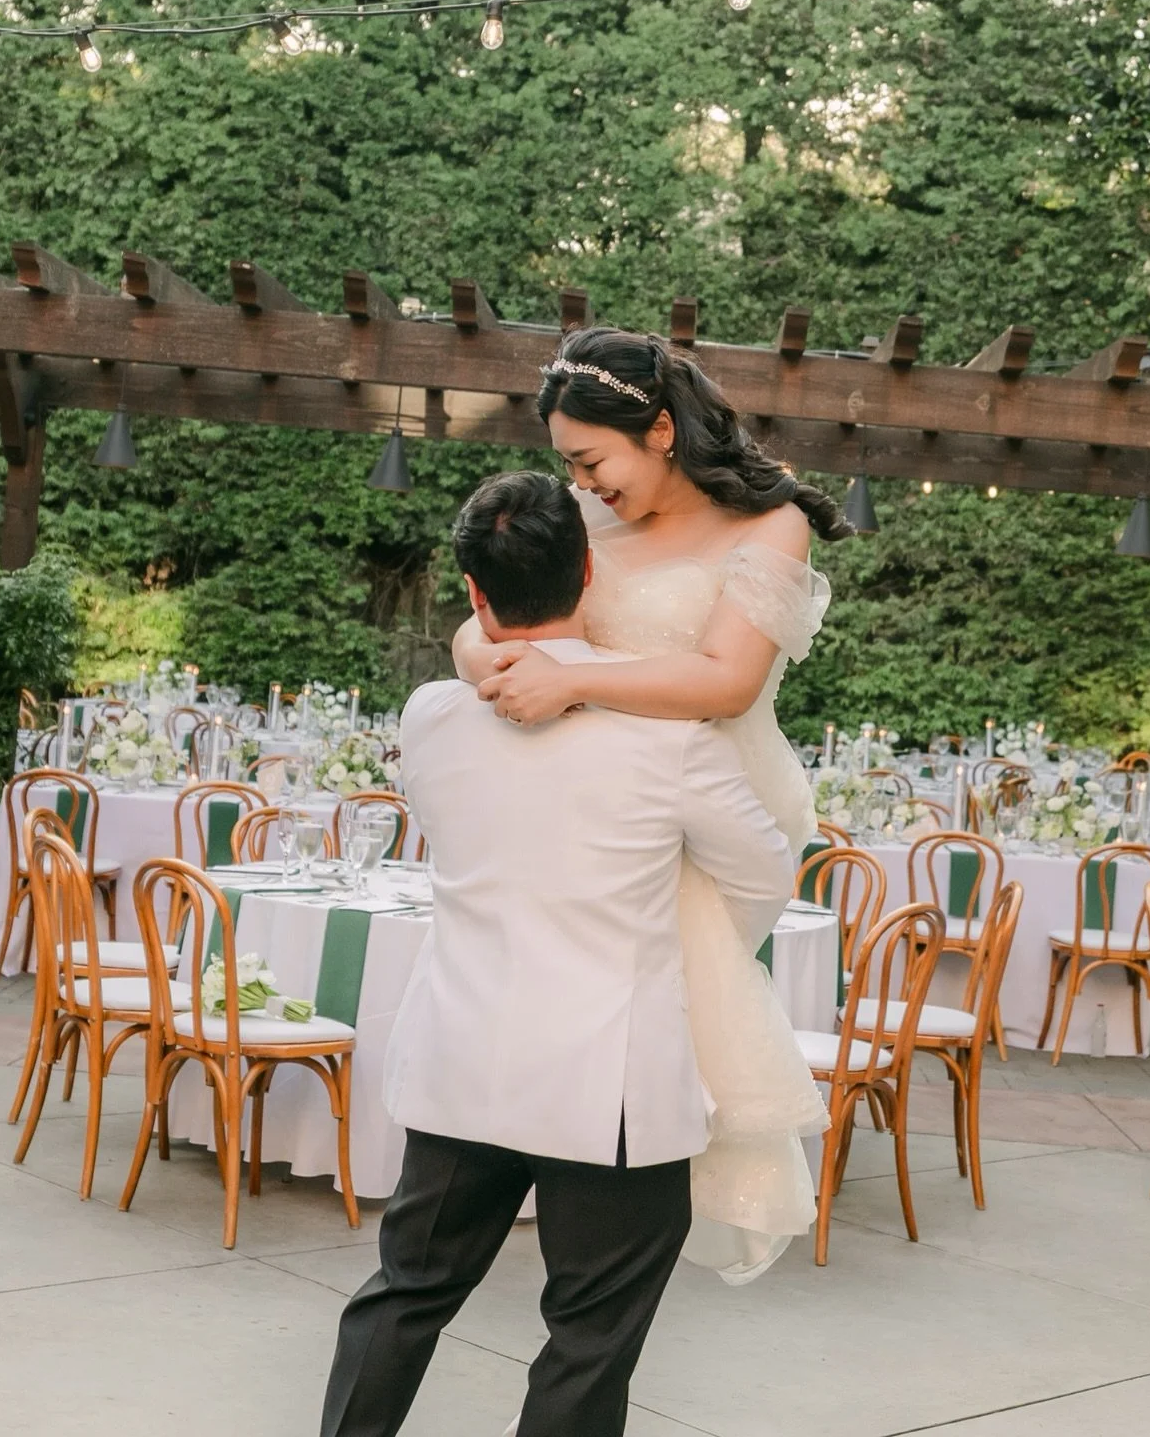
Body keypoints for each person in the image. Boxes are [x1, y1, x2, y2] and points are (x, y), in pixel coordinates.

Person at [320, 470, 795, 1437]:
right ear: (589, 570)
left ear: (470, 589)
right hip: (607, 1090)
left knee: (405, 1291)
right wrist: (691, 939)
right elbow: (763, 873)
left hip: (462, 1067)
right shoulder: (671, 743)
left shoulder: (429, 716)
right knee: (589, 1336)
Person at [454, 325, 849, 1283]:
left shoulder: (774, 524)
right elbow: (483, 623)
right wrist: (490, 664)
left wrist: (575, 682)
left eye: (590, 460)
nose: (580, 483)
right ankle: (558, 1167)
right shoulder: (588, 522)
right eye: (567, 465)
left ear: (661, 431)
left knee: (674, 1014)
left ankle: (621, 1216)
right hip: (602, 799)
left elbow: (727, 681)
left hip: (719, 807)